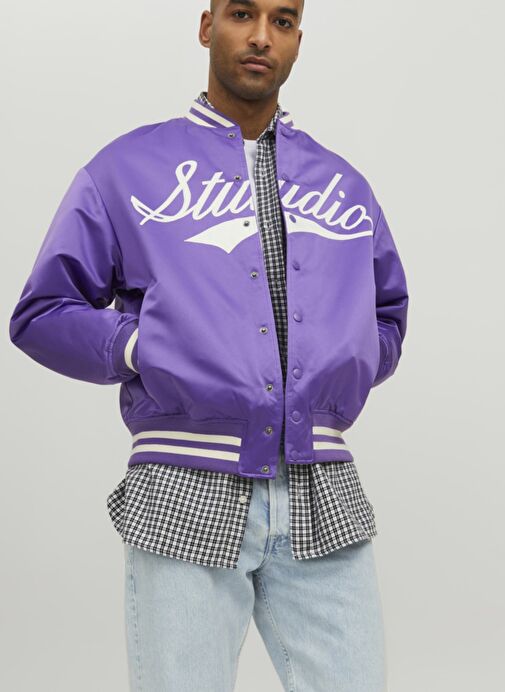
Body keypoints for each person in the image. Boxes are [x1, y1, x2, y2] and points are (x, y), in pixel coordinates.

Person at [9, 0, 409, 689]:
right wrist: (143, 348)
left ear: (298, 39)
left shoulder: (341, 185)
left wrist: (345, 362)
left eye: (282, 20)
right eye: (242, 13)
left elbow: (387, 315)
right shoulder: (128, 169)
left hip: (321, 485)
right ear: (206, 26)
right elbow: (43, 312)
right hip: (182, 478)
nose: (261, 36)